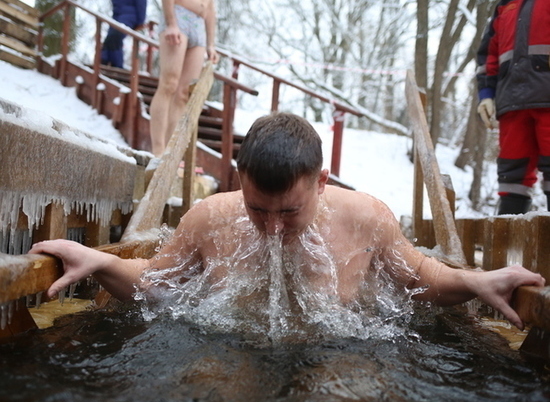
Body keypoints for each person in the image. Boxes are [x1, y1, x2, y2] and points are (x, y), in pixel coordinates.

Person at [29, 112, 545, 332]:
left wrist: (476, 281)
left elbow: (419, 278)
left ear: (321, 183)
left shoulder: (365, 215)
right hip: (234, 346)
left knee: (348, 391)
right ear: (240, 178)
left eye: (290, 212)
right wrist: (98, 260)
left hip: (341, 350)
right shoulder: (210, 217)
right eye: (258, 209)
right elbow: (156, 282)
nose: (273, 227)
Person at [476, 0, 550, 215]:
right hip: (512, 104)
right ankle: (508, 247)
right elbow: (488, 55)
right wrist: (486, 95)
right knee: (511, 176)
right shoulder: (505, 5)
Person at [149, 0, 220, 157]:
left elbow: (211, 9)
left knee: (183, 94)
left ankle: (169, 153)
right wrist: (171, 23)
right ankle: (158, 150)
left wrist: (211, 44)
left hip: (199, 24)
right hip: (178, 15)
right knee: (169, 84)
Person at [101, 0, 148, 69]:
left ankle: (117, 67)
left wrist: (140, 21)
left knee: (115, 37)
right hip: (117, 18)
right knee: (108, 41)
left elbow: (141, 3)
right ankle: (104, 62)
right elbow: (116, 8)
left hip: (130, 17)